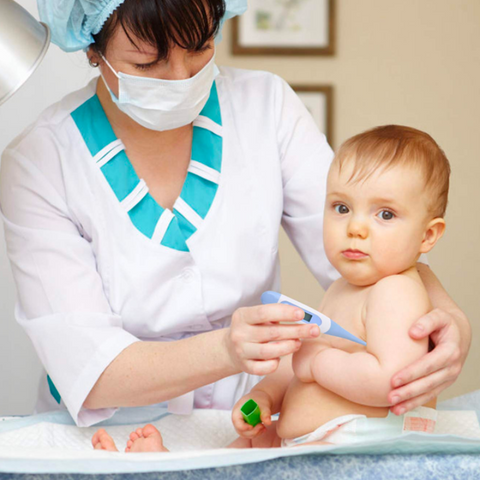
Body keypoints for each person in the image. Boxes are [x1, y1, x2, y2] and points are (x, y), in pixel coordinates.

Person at [0, 0, 470, 431]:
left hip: (246, 420)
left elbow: (365, 249)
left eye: (201, 47)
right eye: (147, 63)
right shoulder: (39, 161)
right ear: (91, 49)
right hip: (110, 434)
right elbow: (90, 367)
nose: (182, 76)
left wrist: (448, 318)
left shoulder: (266, 105)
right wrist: (227, 349)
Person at [88, 124, 454, 452]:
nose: (355, 227)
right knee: (248, 445)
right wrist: (264, 395)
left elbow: (392, 382)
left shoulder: (397, 292)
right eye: (341, 208)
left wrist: (316, 361)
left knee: (256, 451)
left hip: (364, 450)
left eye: (385, 214)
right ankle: (169, 468)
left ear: (428, 235)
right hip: (313, 443)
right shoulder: (345, 290)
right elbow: (300, 366)